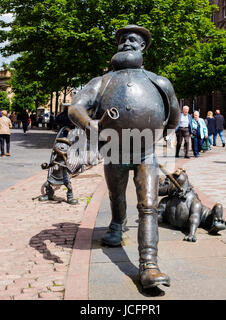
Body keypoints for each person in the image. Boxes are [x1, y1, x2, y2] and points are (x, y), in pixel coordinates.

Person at [68, 25, 180, 289]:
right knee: (116, 195)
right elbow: (76, 107)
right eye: (122, 40)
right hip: (114, 150)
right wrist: (90, 124)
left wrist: (159, 134)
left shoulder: (158, 81)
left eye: (133, 40)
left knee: (149, 204)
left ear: (143, 47)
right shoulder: (102, 81)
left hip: (146, 152)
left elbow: (173, 114)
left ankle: (149, 266)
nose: (126, 43)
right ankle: (117, 225)